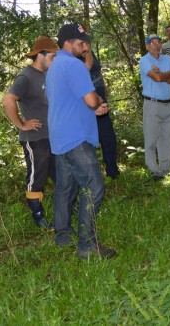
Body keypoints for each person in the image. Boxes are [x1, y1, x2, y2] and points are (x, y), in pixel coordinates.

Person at [46, 22, 116, 259]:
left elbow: (69, 101)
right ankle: (87, 246)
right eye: (80, 43)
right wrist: (96, 103)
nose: (85, 47)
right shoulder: (74, 66)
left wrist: (91, 108)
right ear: (67, 43)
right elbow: (90, 100)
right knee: (94, 187)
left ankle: (63, 236)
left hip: (59, 137)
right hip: (76, 138)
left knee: (65, 189)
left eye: (86, 42)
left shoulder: (54, 66)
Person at [2, 36, 59, 230]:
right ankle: (39, 218)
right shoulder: (26, 77)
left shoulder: (48, 74)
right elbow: (8, 100)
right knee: (37, 177)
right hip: (35, 138)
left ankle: (65, 211)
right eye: (52, 55)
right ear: (40, 55)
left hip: (52, 136)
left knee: (59, 175)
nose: (55, 59)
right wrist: (21, 124)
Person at [139, 33, 170, 180]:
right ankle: (154, 170)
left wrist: (162, 73)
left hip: (169, 104)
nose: (156, 45)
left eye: (159, 42)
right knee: (151, 138)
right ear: (148, 46)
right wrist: (168, 74)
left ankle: (166, 169)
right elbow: (156, 78)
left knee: (167, 138)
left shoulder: (167, 59)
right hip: (152, 104)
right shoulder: (144, 60)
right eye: (153, 42)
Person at [85, 48, 120, 179]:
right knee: (89, 144)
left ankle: (112, 171)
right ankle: (92, 177)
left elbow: (98, 75)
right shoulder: (75, 57)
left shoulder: (91, 52)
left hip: (102, 106)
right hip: (88, 108)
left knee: (109, 139)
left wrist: (105, 96)